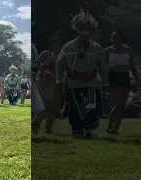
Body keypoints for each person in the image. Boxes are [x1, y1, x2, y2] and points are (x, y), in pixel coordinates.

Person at [55, 6, 107, 138]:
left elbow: (103, 66)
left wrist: (105, 83)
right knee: (75, 109)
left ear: (91, 35)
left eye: (87, 36)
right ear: (77, 34)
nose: (84, 39)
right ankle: (77, 130)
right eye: (81, 35)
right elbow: (59, 64)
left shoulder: (97, 48)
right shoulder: (68, 47)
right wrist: (59, 80)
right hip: (73, 83)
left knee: (90, 108)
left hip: (91, 83)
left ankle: (88, 130)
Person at [106, 31, 140, 134]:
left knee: (122, 105)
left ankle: (115, 128)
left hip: (125, 77)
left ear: (122, 39)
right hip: (113, 78)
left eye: (116, 38)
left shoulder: (128, 50)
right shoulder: (108, 51)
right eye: (112, 38)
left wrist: (137, 78)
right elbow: (104, 67)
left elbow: (132, 66)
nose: (114, 40)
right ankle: (110, 123)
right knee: (116, 104)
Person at [32, 36, 62, 134]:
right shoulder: (46, 54)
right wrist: (43, 71)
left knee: (53, 106)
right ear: (51, 45)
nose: (57, 46)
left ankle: (48, 128)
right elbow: (38, 64)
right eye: (55, 43)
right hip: (43, 81)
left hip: (53, 82)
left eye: (58, 43)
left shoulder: (59, 55)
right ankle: (35, 123)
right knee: (47, 104)